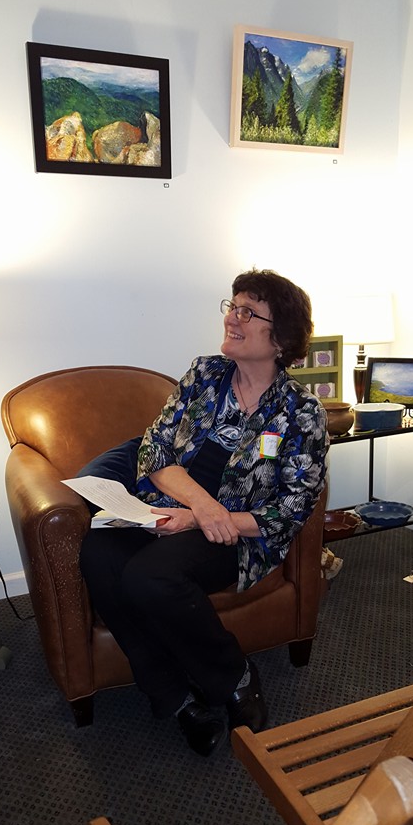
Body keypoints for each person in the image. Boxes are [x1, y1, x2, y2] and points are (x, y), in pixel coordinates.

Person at [79, 269, 328, 756]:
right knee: (98, 553)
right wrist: (197, 506)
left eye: (248, 312)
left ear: (280, 339)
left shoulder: (301, 412)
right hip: (175, 508)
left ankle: (233, 676)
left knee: (151, 577)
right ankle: (173, 696)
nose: (232, 318)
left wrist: (202, 519)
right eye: (232, 307)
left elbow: (291, 508)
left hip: (238, 534)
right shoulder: (203, 374)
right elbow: (154, 450)